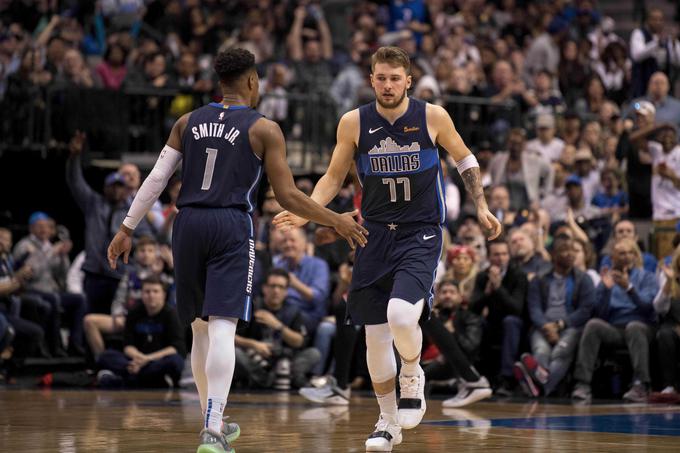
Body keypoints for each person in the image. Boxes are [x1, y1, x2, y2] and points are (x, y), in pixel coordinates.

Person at [106, 48, 367, 453]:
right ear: (250, 81)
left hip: (187, 223)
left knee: (199, 328)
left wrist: (127, 229)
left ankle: (213, 423)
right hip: (230, 224)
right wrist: (335, 219)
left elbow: (156, 179)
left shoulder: (186, 121)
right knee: (224, 325)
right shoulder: (264, 128)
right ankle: (213, 428)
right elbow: (288, 196)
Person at [274, 46, 501, 451]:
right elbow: (332, 176)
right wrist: (310, 212)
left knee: (400, 316)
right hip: (374, 234)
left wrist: (481, 204)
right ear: (371, 79)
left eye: (395, 78)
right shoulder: (354, 122)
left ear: (408, 80)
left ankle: (412, 372)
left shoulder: (432, 116)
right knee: (375, 336)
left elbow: (466, 160)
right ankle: (388, 422)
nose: (388, 85)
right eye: (380, 77)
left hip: (421, 233)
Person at [518, 235, 595, 397]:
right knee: (541, 351)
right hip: (543, 326)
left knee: (561, 352)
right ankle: (543, 383)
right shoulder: (539, 279)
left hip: (571, 326)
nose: (570, 254)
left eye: (573, 250)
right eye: (565, 250)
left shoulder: (583, 279)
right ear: (553, 255)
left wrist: (560, 325)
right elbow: (534, 308)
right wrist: (546, 326)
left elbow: (585, 310)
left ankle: (540, 386)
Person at [96, 276, 186, 388]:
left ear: (163, 294)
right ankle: (154, 380)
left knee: (175, 361)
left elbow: (175, 348)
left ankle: (126, 380)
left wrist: (147, 359)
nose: (151, 295)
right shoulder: (134, 313)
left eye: (155, 291)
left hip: (157, 360)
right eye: (147, 292)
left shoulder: (172, 315)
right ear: (142, 294)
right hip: (136, 359)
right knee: (105, 356)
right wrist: (139, 359)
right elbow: (128, 345)